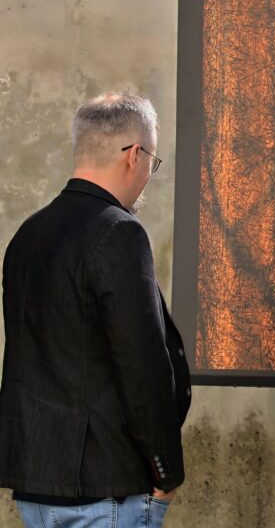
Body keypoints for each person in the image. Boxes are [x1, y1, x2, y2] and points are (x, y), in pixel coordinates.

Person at [0, 92, 191, 527]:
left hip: (36, 485)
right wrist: (166, 469)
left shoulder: (27, 236)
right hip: (107, 487)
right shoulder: (119, 232)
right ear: (135, 155)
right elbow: (142, 362)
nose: (147, 174)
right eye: (152, 162)